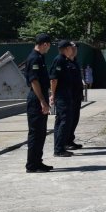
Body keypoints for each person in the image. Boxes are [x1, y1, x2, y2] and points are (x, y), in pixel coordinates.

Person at [24, 34, 53, 173]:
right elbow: (34, 81)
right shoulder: (34, 58)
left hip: (40, 98)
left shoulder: (40, 58)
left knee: (41, 133)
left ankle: (38, 162)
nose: (49, 48)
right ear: (45, 44)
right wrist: (42, 101)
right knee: (36, 133)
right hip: (36, 100)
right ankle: (31, 165)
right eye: (49, 45)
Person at [49, 40, 77, 158]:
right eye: (70, 47)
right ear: (66, 48)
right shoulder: (59, 60)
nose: (72, 49)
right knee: (63, 121)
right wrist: (53, 94)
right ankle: (59, 149)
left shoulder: (64, 59)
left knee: (63, 121)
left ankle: (60, 147)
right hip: (61, 96)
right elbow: (54, 79)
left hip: (65, 95)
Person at [66, 42, 84, 150]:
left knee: (75, 119)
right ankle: (65, 142)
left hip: (77, 96)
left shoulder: (75, 62)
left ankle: (70, 139)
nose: (75, 50)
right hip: (69, 96)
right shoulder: (65, 62)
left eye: (76, 48)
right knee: (68, 120)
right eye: (73, 48)